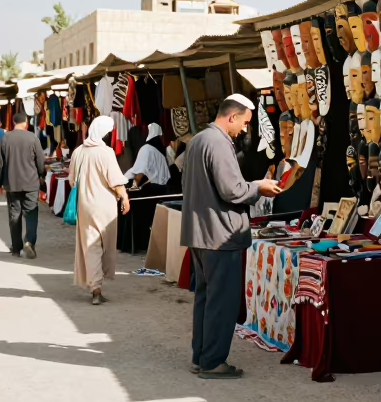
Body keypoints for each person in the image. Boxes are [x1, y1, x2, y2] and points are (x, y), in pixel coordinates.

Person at [180, 95, 282, 379]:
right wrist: (259, 187)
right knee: (221, 302)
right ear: (232, 116)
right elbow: (232, 190)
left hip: (201, 233)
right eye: (245, 123)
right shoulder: (218, 143)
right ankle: (213, 361)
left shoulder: (199, 140)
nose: (245, 130)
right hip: (220, 234)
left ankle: (201, 357)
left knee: (206, 298)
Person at [69, 116, 129, 305]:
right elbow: (115, 180)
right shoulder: (106, 152)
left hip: (85, 205)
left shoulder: (79, 151)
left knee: (91, 245)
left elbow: (72, 180)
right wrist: (124, 197)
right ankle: (98, 283)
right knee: (105, 244)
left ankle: (95, 288)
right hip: (105, 205)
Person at [0, 110, 45, 258]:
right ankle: (29, 242)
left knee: (14, 215)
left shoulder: (4, 139)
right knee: (31, 214)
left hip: (12, 183)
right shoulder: (33, 138)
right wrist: (41, 177)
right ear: (26, 123)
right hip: (30, 182)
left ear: (14, 122)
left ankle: (16, 247)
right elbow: (40, 162)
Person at [117, 122, 171, 252]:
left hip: (150, 190)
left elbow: (140, 171)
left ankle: (132, 244)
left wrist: (134, 185)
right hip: (162, 190)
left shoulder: (146, 149)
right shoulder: (161, 151)